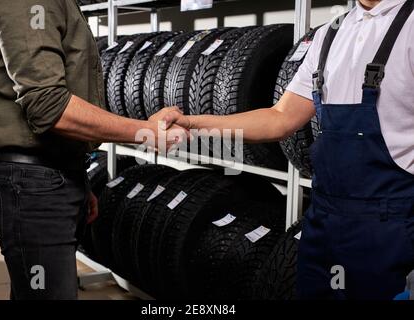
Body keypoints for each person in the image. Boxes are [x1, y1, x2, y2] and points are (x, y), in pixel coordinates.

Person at [166, 0, 414, 299]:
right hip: (323, 223)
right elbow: (280, 118)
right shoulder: (329, 34)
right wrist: (192, 123)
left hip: (391, 229)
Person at [0, 0, 183, 300]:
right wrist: (147, 132)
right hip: (31, 185)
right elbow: (48, 105)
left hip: (47, 176)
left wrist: (76, 178)